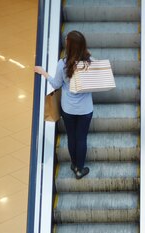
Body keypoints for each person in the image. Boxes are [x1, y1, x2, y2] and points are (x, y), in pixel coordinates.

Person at [34, 30, 93, 180]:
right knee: (81, 139)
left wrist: (44, 73)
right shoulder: (90, 62)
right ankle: (80, 169)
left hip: (68, 108)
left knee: (72, 137)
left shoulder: (62, 64)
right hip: (85, 109)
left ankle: (74, 164)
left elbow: (56, 84)